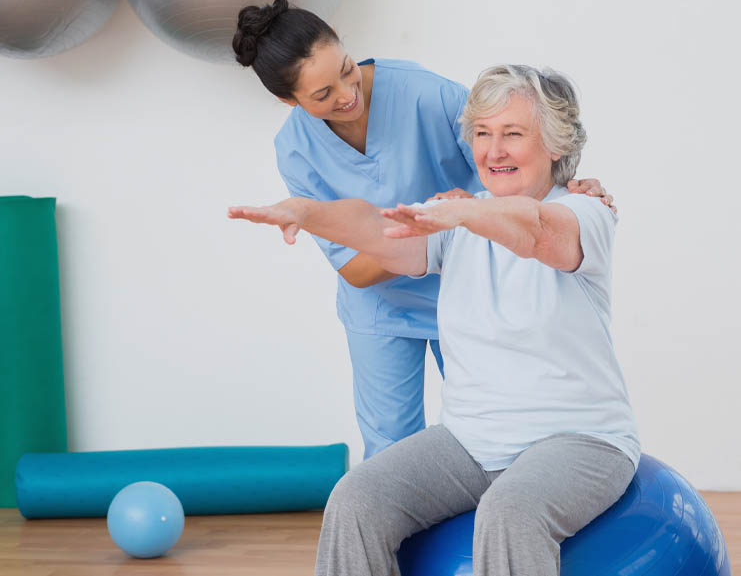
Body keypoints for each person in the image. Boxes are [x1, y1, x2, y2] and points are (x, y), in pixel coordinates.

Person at [229, 64, 640, 576]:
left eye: (513, 134)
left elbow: (537, 233)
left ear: (555, 145)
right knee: (357, 498)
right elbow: (377, 230)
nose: (493, 151)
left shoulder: (584, 211)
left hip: (580, 440)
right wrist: (308, 212)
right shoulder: (459, 216)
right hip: (470, 442)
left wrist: (466, 213)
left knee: (511, 511)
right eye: (483, 135)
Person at [232, 0, 615, 459]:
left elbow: (515, 162)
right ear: (286, 101)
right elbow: (354, 268)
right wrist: (426, 232)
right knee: (391, 451)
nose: (346, 93)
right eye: (322, 95)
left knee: (499, 439)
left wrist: (570, 187)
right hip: (382, 308)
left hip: (476, 289)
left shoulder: (426, 94)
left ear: (341, 38)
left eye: (346, 69)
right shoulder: (295, 149)